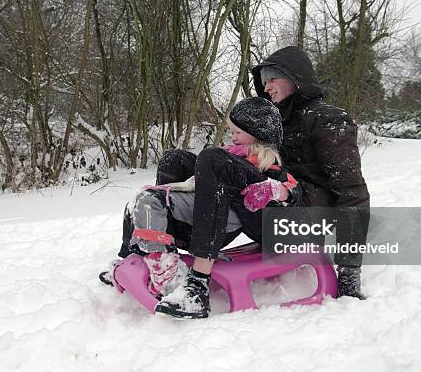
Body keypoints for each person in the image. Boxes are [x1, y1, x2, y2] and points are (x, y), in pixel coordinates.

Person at [100, 97, 302, 318]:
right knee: (172, 160)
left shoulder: (268, 166)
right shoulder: (230, 155)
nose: (233, 137)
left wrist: (275, 190)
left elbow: (293, 189)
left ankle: (195, 283)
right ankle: (137, 255)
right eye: (231, 131)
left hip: (238, 219)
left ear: (259, 134)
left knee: (212, 157)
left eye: (238, 132)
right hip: (206, 215)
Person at [251, 46, 370, 300]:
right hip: (283, 203)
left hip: (310, 214)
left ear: (295, 77)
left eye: (273, 78)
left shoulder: (329, 119)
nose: (267, 87)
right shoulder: (278, 122)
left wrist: (349, 271)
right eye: (263, 82)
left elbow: (352, 191)